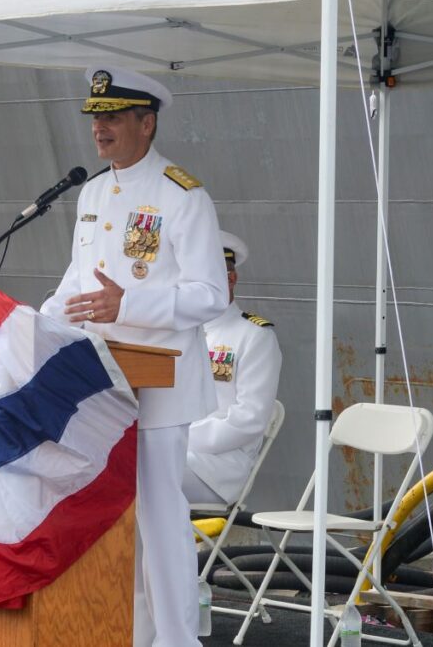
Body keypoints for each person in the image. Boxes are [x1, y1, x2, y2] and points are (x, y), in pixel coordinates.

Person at [41, 66, 227, 647]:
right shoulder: (94, 193)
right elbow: (78, 280)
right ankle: (133, 631)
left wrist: (130, 303)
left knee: (160, 514)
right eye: (96, 118)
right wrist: (31, 323)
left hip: (161, 383)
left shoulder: (183, 195)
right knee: (116, 516)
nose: (100, 129)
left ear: (147, 123)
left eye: (114, 117)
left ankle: (178, 638)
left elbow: (210, 294)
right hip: (103, 381)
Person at [183, 231, 283, 506]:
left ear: (230, 279)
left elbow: (249, 420)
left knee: (139, 476)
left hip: (219, 469)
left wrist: (179, 438)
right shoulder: (179, 331)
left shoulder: (254, 336)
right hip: (175, 453)